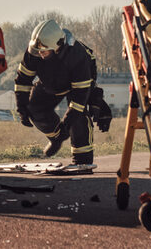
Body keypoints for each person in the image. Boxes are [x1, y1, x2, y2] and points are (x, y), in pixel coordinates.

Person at [14, 19, 106, 168]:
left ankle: (82, 159)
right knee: (34, 108)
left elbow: (78, 99)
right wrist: (21, 107)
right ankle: (57, 139)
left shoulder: (77, 56)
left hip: (78, 83)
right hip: (50, 82)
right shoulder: (34, 52)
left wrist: (66, 124)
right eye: (37, 51)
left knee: (78, 117)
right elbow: (23, 80)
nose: (40, 54)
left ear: (57, 47)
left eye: (44, 51)